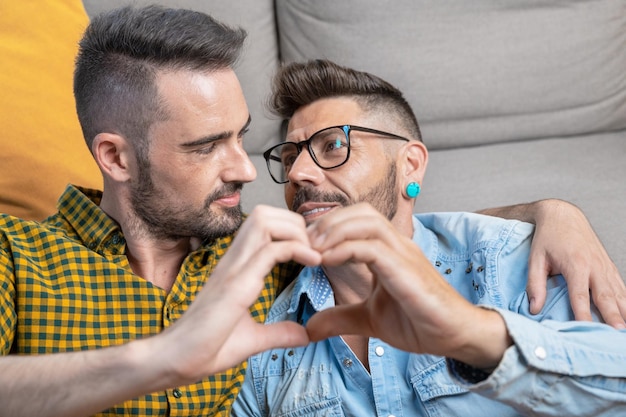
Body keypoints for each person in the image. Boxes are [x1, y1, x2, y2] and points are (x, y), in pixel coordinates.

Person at [0, 5, 622, 417]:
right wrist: (163, 358)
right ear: (115, 157)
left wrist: (549, 211)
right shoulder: (17, 254)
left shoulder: (266, 254)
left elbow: (392, 228)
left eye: (242, 137)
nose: (250, 170)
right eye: (206, 146)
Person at [231, 59, 626, 416]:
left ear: (411, 166)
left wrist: (472, 335)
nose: (299, 172)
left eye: (333, 145)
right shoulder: (271, 338)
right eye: (289, 158)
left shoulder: (508, 262)